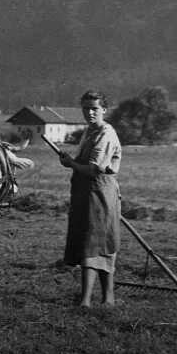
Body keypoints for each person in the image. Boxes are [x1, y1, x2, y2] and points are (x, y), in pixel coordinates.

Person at [58, 89, 122, 307]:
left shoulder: (105, 134)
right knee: (94, 241)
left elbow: (93, 169)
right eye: (86, 109)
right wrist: (72, 162)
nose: (90, 113)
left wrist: (70, 164)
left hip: (99, 192)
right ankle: (106, 299)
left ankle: (88, 301)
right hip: (85, 193)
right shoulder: (89, 132)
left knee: (95, 242)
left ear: (104, 110)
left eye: (94, 109)